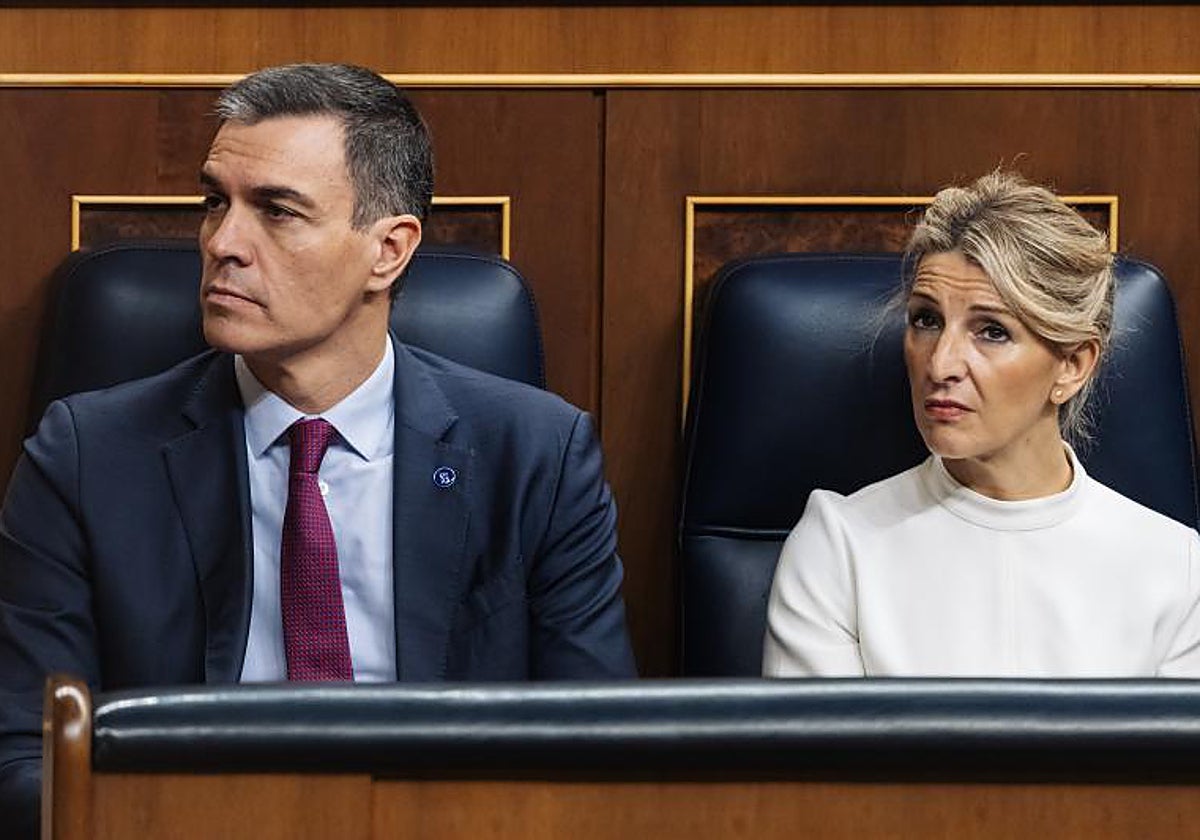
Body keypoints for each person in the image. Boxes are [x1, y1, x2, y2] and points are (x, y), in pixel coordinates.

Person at [0, 63, 636, 834]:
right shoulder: (87, 456)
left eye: (277, 211)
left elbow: (597, 758)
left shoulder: (537, 455)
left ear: (388, 251)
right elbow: (25, 763)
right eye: (214, 204)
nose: (221, 243)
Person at [763, 170, 1200, 678]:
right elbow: (820, 756)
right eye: (926, 320)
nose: (940, 363)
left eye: (992, 331)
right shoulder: (839, 546)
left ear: (1072, 365)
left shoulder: (1176, 568)